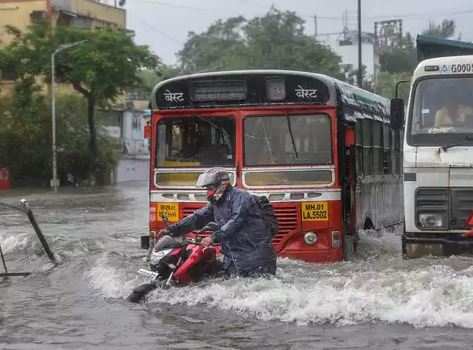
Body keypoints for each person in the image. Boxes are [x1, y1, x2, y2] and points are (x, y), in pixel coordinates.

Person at [156, 168, 277, 277]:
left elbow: (235, 221)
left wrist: (212, 237)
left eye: (210, 189)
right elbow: (198, 217)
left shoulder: (241, 198)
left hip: (255, 257)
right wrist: (172, 229)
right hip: (233, 258)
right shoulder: (216, 203)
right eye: (207, 189)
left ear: (222, 185)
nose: (208, 193)